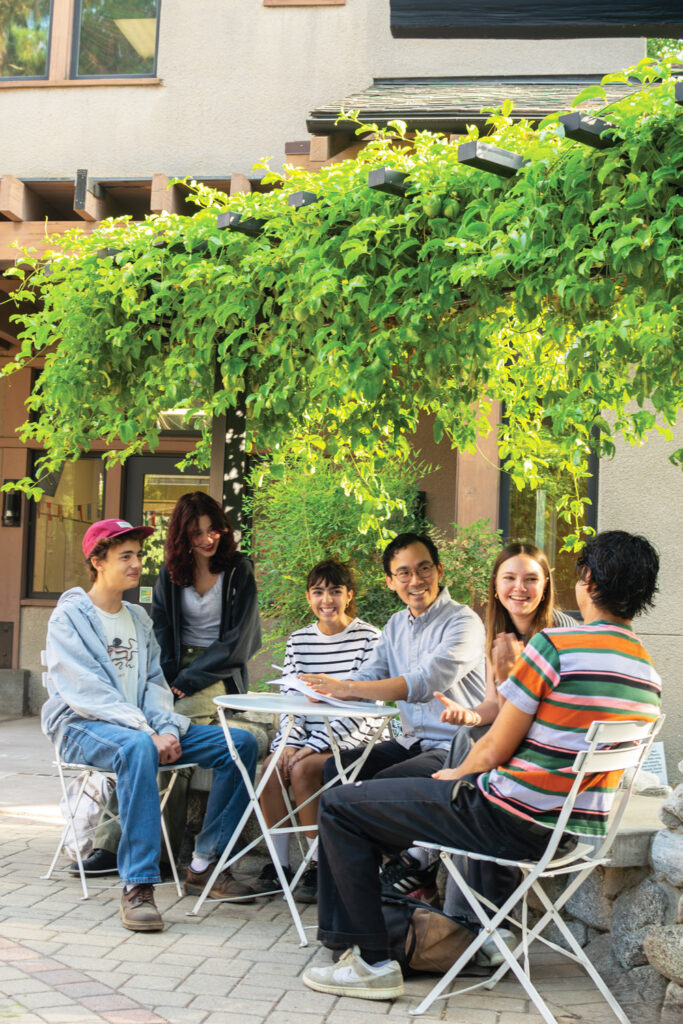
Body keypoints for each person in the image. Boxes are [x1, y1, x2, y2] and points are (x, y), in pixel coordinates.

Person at [301, 530, 661, 1000]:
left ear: (586, 580)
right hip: (569, 833)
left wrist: (450, 775)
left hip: (504, 815)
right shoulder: (648, 674)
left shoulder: (557, 647)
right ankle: (382, 940)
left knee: (340, 805)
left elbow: (492, 747)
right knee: (362, 801)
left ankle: (368, 960)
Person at [43, 518, 259, 931]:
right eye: (125, 556)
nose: (137, 564)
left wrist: (167, 729)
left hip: (140, 729)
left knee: (241, 744)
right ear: (97, 561)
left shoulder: (138, 620)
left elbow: (155, 685)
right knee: (137, 748)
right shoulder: (69, 618)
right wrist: (148, 733)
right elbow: (87, 693)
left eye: (139, 556)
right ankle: (138, 886)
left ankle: (204, 861)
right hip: (81, 728)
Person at [382, 542, 576, 906]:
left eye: (531, 579)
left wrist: (508, 680)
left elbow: (550, 712)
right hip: (511, 745)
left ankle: (426, 855)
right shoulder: (498, 633)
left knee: (467, 756)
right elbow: (494, 706)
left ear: (546, 584)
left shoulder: (561, 633)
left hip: (545, 754)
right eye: (510, 578)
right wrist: (468, 713)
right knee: (468, 733)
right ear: (496, 584)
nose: (520, 588)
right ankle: (433, 859)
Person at [300, 531, 486, 898]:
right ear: (390, 581)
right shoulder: (396, 624)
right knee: (337, 769)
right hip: (411, 740)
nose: (415, 581)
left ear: (439, 570)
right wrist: (328, 688)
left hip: (455, 745)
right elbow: (374, 672)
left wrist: (348, 689)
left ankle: (412, 865)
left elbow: (423, 682)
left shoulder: (464, 623)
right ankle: (361, 886)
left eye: (424, 569)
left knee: (379, 784)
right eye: (403, 573)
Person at [255, 559, 381, 902]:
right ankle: (279, 867)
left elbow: (364, 706)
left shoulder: (370, 638)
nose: (327, 600)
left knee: (303, 768)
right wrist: (289, 744)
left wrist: (313, 745)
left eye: (335, 591)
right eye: (318, 592)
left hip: (354, 735)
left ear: (349, 595)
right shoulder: (298, 640)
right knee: (271, 769)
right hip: (307, 734)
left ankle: (317, 865)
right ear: (309, 597)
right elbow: (290, 700)